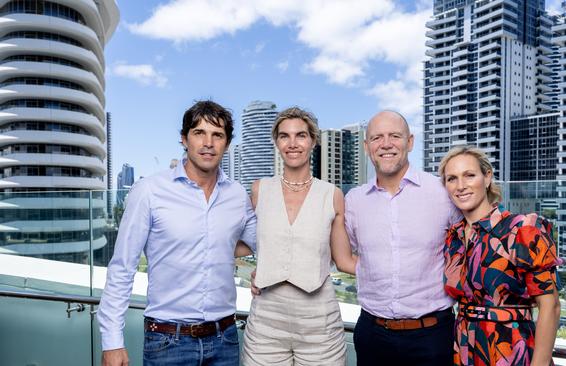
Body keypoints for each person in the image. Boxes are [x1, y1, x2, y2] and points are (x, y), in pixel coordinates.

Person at [97, 100, 256, 366]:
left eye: (217, 135)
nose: (208, 143)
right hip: (169, 342)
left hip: (226, 340)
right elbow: (122, 268)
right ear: (184, 139)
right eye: (199, 133)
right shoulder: (149, 190)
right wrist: (112, 341)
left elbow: (263, 242)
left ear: (227, 144)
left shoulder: (238, 195)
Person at [344, 110, 462, 366]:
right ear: (366, 147)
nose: (386, 144)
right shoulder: (354, 200)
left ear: (410, 142)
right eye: (377, 138)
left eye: (394, 136)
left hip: (432, 335)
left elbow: (469, 248)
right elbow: (344, 255)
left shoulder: (443, 193)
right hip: (372, 334)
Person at [242, 107, 356, 366]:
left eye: (301, 135)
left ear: (313, 141)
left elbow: (344, 261)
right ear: (277, 142)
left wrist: (400, 269)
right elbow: (243, 241)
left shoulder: (333, 194)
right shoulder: (260, 189)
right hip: (266, 322)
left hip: (319, 321)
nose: (293, 144)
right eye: (284, 136)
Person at [439, 145, 562, 366]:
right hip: (463, 351)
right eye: (451, 179)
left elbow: (550, 306)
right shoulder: (453, 237)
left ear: (487, 178)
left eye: (469, 175)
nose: (460, 186)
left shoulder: (522, 229)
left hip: (511, 351)